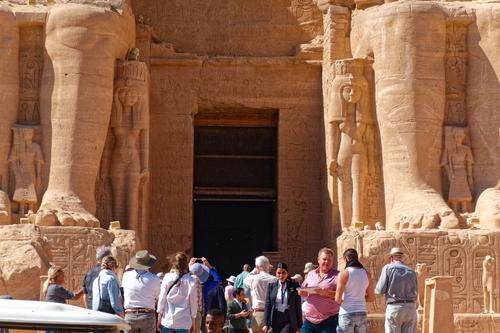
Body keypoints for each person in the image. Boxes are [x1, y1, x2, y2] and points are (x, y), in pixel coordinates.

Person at [375, 247, 418, 333]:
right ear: (402, 258)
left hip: (395, 307)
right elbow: (416, 291)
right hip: (410, 308)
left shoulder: (388, 268)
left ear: (391, 258)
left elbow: (379, 290)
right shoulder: (411, 271)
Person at [299, 248, 340, 333]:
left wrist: (327, 293)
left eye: (329, 260)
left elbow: (343, 295)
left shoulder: (338, 275)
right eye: (324, 259)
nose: (327, 262)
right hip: (309, 320)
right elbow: (303, 290)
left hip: (329, 320)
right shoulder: (311, 274)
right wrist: (301, 292)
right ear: (318, 260)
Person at [335, 249, 375, 333]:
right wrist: (359, 298)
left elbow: (337, 299)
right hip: (361, 313)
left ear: (346, 259)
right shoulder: (367, 274)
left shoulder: (344, 274)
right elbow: (371, 298)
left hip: (346, 313)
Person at [157, 252, 198, 333]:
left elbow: (162, 298)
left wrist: (159, 317)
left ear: (174, 263)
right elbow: (193, 303)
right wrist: (193, 321)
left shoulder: (167, 277)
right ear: (186, 264)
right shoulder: (191, 280)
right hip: (184, 322)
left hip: (168, 320)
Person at [122, 250, 161, 333]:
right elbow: (158, 297)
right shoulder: (155, 279)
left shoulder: (126, 276)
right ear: (149, 264)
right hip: (147, 315)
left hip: (130, 314)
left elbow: (123, 293)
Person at [263, 263, 302, 333]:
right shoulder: (271, 286)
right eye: (279, 273)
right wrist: (266, 323)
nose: (281, 275)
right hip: (275, 318)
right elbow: (268, 305)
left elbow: (298, 306)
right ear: (276, 273)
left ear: (287, 273)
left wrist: (299, 325)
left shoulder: (294, 286)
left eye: (283, 273)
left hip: (289, 318)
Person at [244, 256, 278, 333]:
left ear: (257, 267)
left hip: (258, 314)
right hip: (272, 314)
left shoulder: (253, 278)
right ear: (268, 266)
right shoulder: (275, 279)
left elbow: (245, 280)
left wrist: (255, 270)